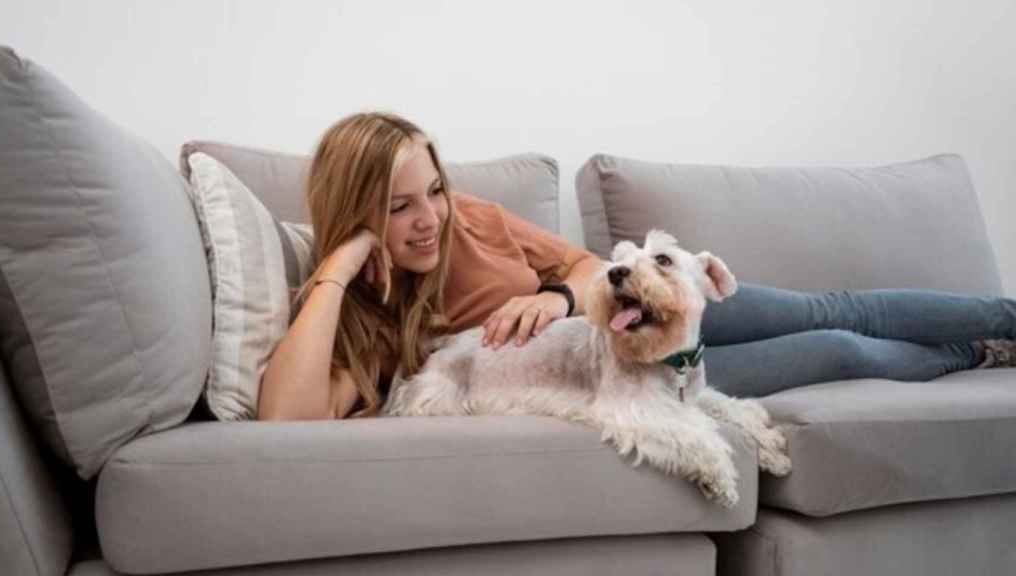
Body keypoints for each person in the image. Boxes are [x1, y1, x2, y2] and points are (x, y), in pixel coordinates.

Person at [257, 112, 1016, 420]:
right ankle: (973, 354)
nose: (429, 218)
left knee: (836, 307)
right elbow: (283, 418)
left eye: (434, 191)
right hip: (633, 373)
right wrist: (341, 263)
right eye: (396, 207)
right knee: (840, 351)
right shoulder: (372, 324)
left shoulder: (473, 219)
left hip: (646, 304)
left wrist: (556, 297)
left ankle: (1004, 320)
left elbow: (592, 265)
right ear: (355, 211)